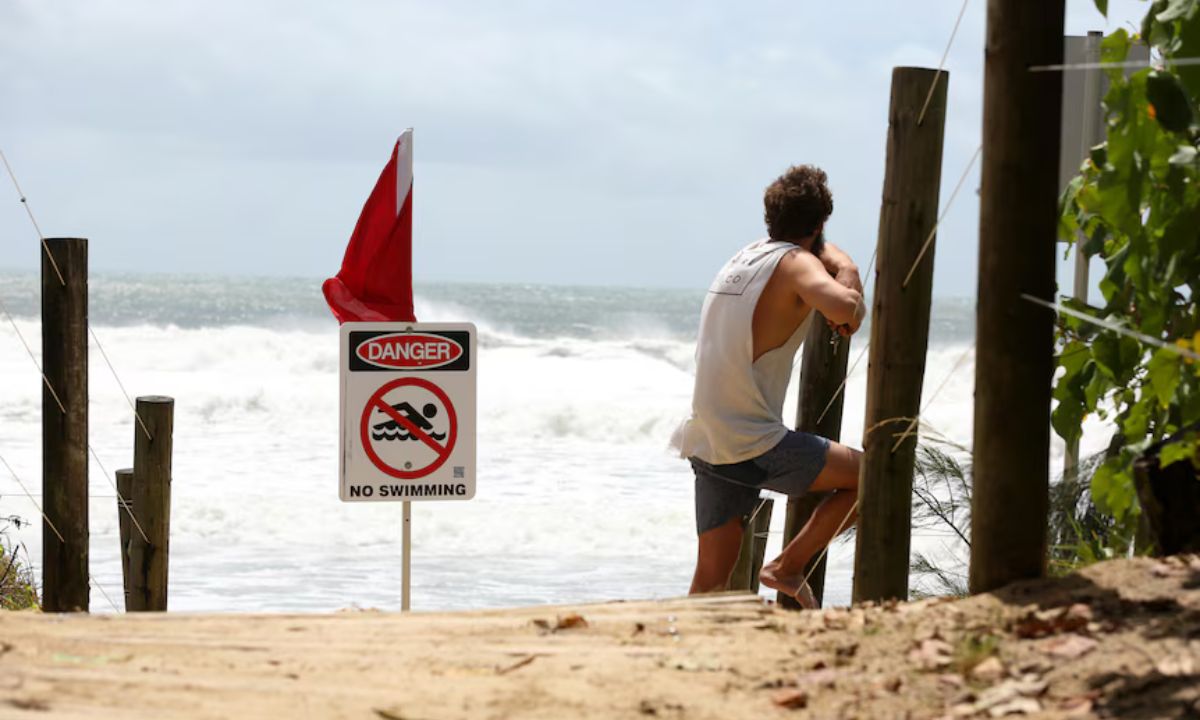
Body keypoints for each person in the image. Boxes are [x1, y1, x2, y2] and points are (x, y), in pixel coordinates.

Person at [671, 165, 865, 608]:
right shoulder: (798, 264)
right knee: (871, 478)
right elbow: (848, 311)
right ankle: (786, 567)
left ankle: (671, 647)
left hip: (708, 437)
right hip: (754, 443)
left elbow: (807, 261)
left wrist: (822, 251)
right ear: (818, 225)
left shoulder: (747, 256)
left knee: (707, 586)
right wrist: (849, 270)